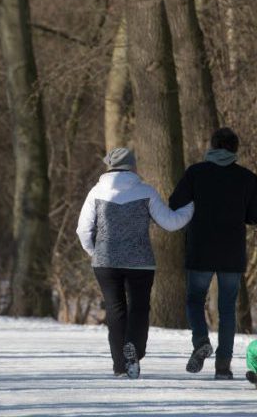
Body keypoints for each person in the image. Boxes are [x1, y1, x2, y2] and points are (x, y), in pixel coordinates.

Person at [76, 147, 194, 379]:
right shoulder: (146, 192)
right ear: (132, 166)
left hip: (106, 262)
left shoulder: (96, 192)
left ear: (109, 165)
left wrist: (95, 252)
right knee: (139, 308)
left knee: (115, 310)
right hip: (140, 262)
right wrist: (191, 205)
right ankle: (135, 350)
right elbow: (170, 223)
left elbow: (82, 229)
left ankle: (120, 366)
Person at [168, 127, 257, 379]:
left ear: (212, 146)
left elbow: (175, 202)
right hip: (231, 253)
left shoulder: (196, 173)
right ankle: (223, 366)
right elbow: (256, 215)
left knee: (194, 300)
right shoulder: (247, 177)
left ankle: (201, 340)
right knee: (227, 310)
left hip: (200, 248)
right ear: (235, 149)